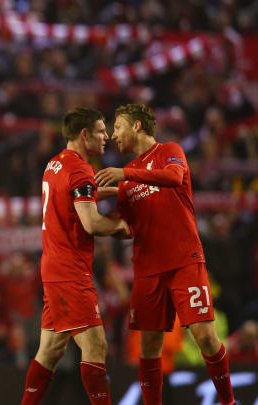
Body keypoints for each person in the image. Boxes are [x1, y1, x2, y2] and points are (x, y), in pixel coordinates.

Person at [95, 103, 235, 405]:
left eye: (117, 127)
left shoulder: (170, 150)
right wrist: (91, 207)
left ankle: (228, 402)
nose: (113, 135)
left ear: (136, 126)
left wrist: (123, 175)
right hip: (147, 268)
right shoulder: (128, 182)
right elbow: (127, 226)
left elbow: (173, 177)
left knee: (206, 337)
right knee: (148, 346)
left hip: (184, 259)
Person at [21, 107, 131, 405]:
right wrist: (120, 225)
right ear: (85, 135)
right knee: (96, 346)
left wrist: (120, 191)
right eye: (100, 131)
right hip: (71, 270)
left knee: (50, 351)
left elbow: (81, 194)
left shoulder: (54, 164)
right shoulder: (80, 169)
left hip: (54, 266)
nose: (106, 136)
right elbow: (91, 222)